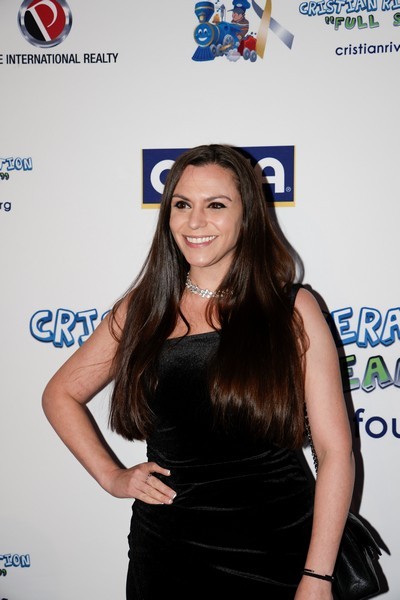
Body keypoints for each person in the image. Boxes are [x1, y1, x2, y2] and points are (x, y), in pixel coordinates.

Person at [42, 144, 355, 599]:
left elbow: (334, 451)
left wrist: (318, 575)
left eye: (216, 205)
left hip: (277, 550)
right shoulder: (143, 309)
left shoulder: (291, 309)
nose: (195, 222)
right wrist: (112, 477)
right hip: (167, 553)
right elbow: (60, 394)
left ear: (247, 216)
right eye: (182, 204)